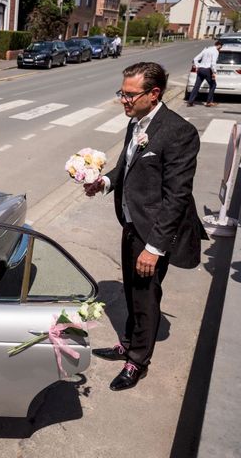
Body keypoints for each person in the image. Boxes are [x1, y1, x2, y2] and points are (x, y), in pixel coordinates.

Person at [84, 62, 207, 391]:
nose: (123, 100)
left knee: (146, 296)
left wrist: (154, 248)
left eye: (129, 95)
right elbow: (127, 166)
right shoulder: (136, 122)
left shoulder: (178, 131)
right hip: (130, 222)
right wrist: (105, 183)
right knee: (131, 290)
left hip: (153, 231)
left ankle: (137, 361)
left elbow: (177, 197)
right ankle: (127, 342)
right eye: (121, 93)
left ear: (154, 94)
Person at [187, 40, 223, 107]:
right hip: (207, 70)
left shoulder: (206, 49)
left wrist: (197, 66)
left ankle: (190, 102)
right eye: (220, 47)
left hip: (200, 69)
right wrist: (214, 72)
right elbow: (213, 63)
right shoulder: (215, 51)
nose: (220, 49)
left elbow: (195, 59)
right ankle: (209, 102)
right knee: (213, 85)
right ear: (219, 46)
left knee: (196, 86)